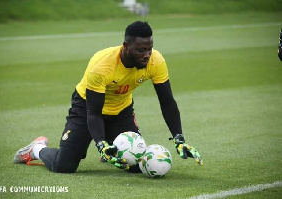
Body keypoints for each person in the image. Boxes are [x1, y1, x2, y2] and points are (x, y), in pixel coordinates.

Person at [13, 21, 203, 173]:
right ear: (126, 46)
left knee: (136, 166)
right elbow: (94, 113)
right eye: (141, 50)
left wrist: (179, 138)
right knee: (65, 166)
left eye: (150, 49)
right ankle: (36, 149)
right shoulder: (102, 66)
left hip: (121, 109)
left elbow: (167, 102)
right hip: (86, 108)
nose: (147, 55)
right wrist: (100, 143)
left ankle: (113, 146)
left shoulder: (156, 61)